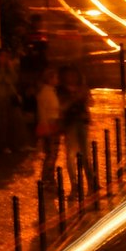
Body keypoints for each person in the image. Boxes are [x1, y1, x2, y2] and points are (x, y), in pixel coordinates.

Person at [59, 63, 97, 191]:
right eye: (69, 75)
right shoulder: (61, 90)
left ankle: (91, 182)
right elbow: (61, 107)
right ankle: (74, 185)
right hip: (70, 123)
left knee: (86, 153)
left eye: (73, 75)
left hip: (82, 121)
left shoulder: (82, 87)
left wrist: (86, 97)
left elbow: (91, 102)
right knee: (71, 154)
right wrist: (74, 99)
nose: (71, 77)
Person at [35, 66, 62, 185]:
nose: (57, 80)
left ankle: (49, 176)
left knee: (53, 153)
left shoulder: (50, 91)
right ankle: (47, 177)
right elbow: (42, 112)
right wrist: (46, 126)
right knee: (51, 153)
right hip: (50, 126)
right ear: (50, 79)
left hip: (53, 124)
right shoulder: (45, 93)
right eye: (55, 77)